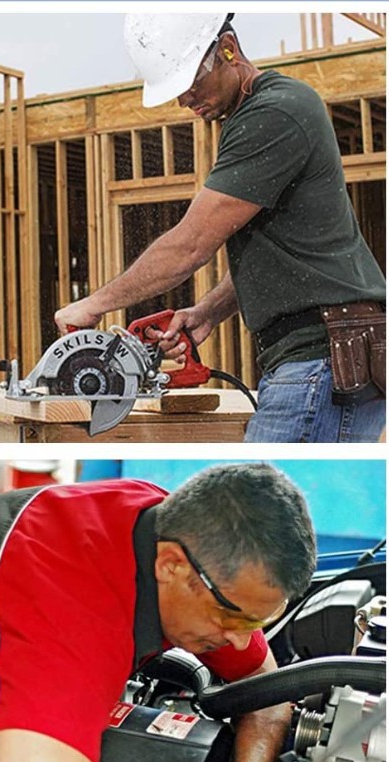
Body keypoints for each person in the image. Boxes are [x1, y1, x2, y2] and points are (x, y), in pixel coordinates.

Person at [54, 13, 385, 443]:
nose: (184, 100)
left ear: (228, 49)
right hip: (318, 355)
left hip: (321, 358)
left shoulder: (275, 113)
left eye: (190, 82)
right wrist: (207, 311)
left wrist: (94, 305)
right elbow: (283, 252)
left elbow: (189, 246)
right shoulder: (260, 114)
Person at [0, 463, 317, 762]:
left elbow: (266, 689)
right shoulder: (73, 602)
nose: (241, 640)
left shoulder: (184, 534)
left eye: (256, 622)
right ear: (171, 565)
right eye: (232, 617)